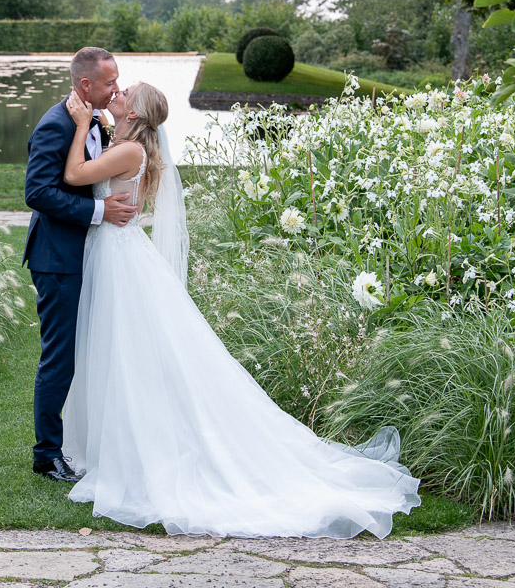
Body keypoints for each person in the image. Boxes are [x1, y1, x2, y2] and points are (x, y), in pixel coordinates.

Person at [58, 82, 422, 538]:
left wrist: (78, 126)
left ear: (135, 111)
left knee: (127, 353)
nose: (120, 89)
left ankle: (139, 449)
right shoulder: (125, 141)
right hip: (115, 251)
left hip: (120, 257)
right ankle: (110, 444)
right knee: (117, 350)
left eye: (126, 91)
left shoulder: (130, 151)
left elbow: (74, 175)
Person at [23, 47, 137, 482]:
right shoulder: (56, 123)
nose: (116, 88)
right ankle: (46, 454)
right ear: (85, 85)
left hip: (84, 254)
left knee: (81, 351)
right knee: (60, 357)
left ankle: (78, 441)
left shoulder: (94, 122)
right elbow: (37, 193)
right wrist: (99, 212)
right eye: (109, 83)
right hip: (57, 258)